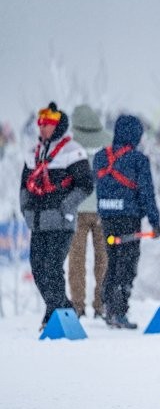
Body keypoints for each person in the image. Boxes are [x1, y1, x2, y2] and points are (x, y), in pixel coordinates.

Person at [20, 102, 94, 329]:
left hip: (61, 223)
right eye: (40, 124)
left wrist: (65, 207)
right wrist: (26, 210)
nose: (42, 128)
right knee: (38, 269)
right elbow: (24, 186)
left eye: (47, 124)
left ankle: (53, 315)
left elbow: (85, 185)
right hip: (38, 222)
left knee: (52, 268)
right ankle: (65, 309)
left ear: (57, 126)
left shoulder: (72, 151)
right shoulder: (34, 153)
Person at [94, 114, 160, 329]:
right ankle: (119, 311)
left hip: (107, 217)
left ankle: (107, 305)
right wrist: (155, 221)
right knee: (127, 264)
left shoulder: (101, 157)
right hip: (129, 219)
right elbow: (146, 192)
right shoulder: (138, 160)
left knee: (113, 262)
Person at [67, 104, 112, 319]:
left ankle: (77, 304)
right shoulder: (108, 140)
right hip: (103, 208)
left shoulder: (70, 142)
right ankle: (101, 303)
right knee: (103, 258)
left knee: (76, 260)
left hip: (77, 209)